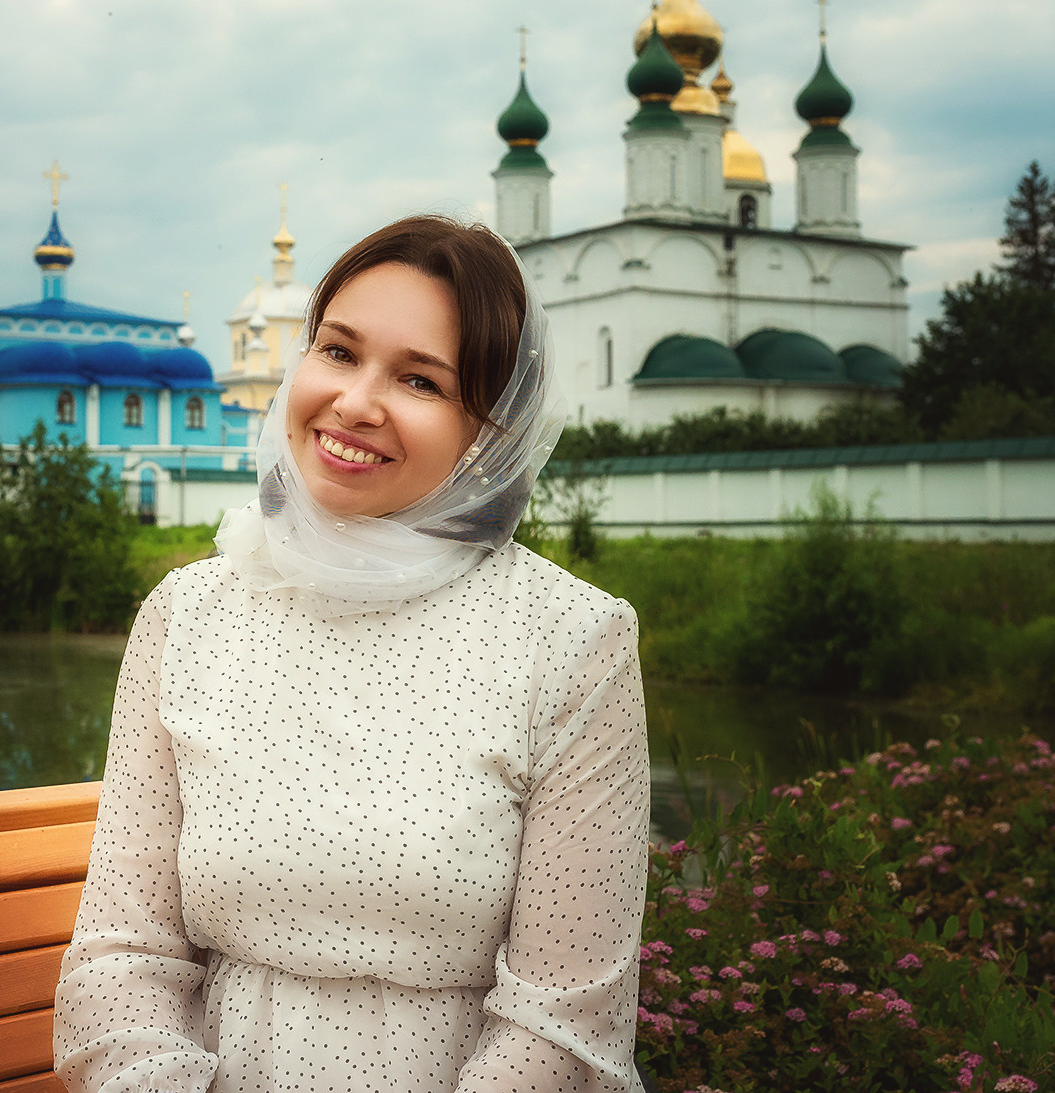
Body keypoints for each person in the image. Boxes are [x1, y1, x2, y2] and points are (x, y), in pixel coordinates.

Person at [54, 215, 651, 1092]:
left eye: (419, 378)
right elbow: (120, 954)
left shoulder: (569, 639)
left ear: (491, 430)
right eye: (337, 352)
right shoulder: (190, 613)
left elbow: (562, 1018)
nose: (356, 401)